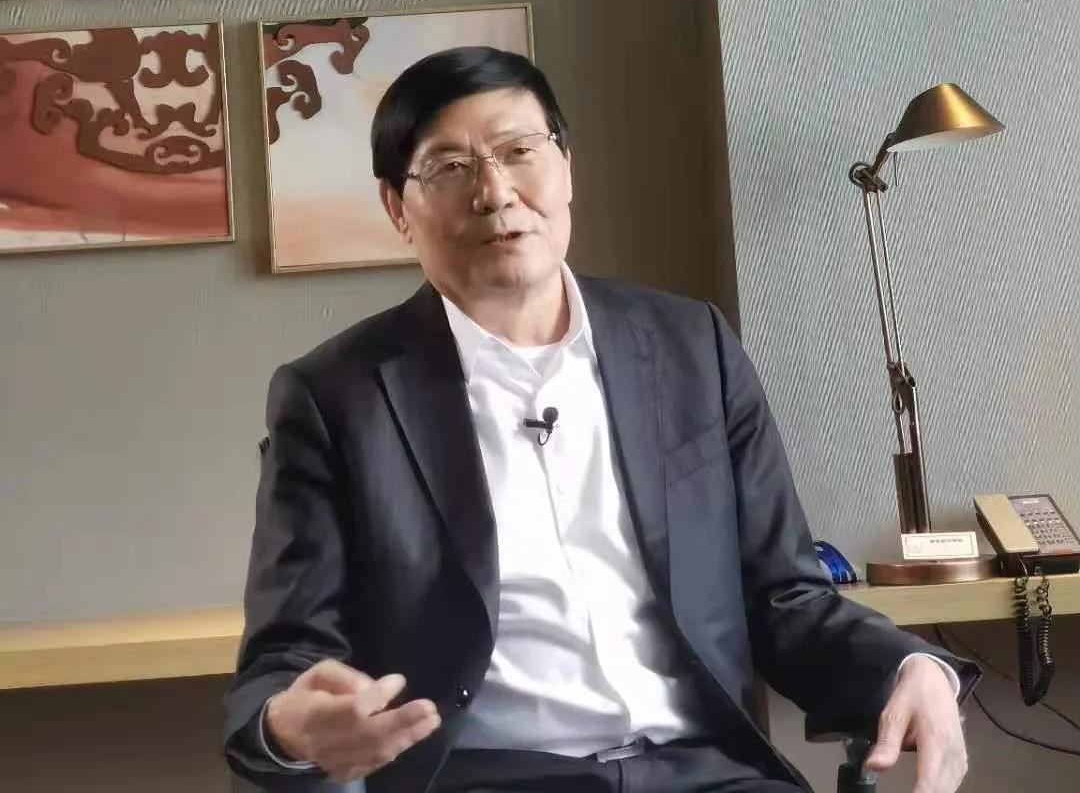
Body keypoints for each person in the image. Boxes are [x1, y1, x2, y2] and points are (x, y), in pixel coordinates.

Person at [225, 47, 977, 793]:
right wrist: (289, 725)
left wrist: (909, 666)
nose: (495, 192)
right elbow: (287, 659)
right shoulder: (336, 398)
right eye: (450, 168)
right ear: (397, 207)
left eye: (520, 151)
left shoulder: (693, 347)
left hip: (707, 774)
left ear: (567, 168)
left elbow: (786, 598)